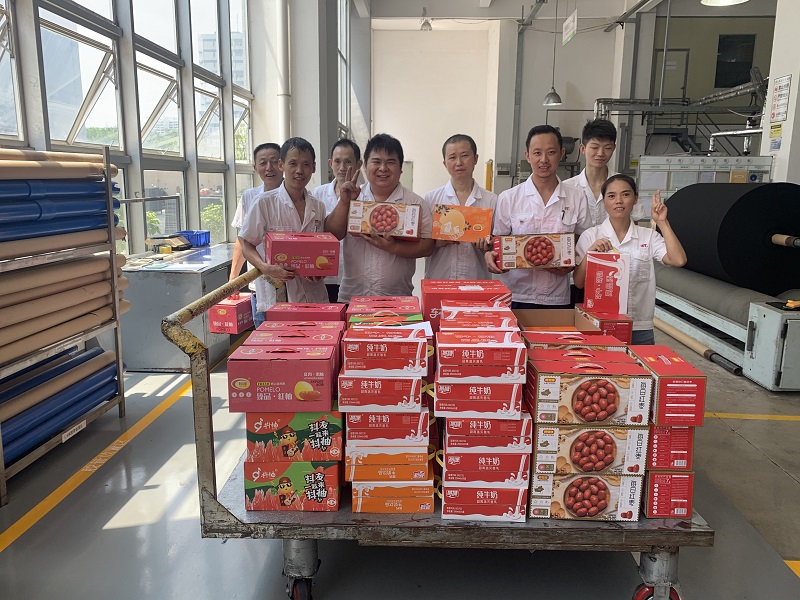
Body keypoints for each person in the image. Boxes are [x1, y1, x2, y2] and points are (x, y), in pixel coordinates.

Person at [486, 125, 592, 308]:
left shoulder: (577, 197)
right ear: (527, 156)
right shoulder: (508, 198)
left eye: (551, 152)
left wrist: (572, 262)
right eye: (537, 153)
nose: (544, 160)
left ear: (561, 154)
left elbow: (585, 241)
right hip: (516, 296)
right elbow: (498, 241)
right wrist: (491, 255)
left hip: (558, 297)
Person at [573, 174, 687, 345]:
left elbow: (678, 260)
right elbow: (578, 282)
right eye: (611, 196)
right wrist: (591, 254)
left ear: (635, 199)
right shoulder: (591, 236)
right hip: (600, 324)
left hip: (639, 327)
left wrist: (662, 223)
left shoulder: (648, 236)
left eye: (625, 194)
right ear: (604, 201)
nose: (618, 201)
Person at [325, 133, 434, 303]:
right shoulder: (353, 196)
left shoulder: (416, 203)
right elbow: (333, 234)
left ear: (401, 168)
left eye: (390, 162)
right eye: (376, 161)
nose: (383, 168)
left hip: (397, 298)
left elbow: (428, 246)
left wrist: (394, 247)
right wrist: (345, 202)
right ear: (365, 165)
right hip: (353, 297)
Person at [238, 137, 329, 317]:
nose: (299, 170)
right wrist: (266, 267)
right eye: (293, 164)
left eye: (306, 164)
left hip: (313, 298)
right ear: (282, 165)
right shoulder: (264, 203)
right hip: (277, 297)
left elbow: (318, 250)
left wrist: (318, 271)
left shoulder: (318, 206)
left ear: (314, 168)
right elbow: (246, 245)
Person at [423, 134, 496, 280]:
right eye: (452, 157)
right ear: (445, 163)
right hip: (439, 281)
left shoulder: (492, 200)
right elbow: (422, 244)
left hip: (476, 282)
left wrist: (489, 244)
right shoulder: (431, 199)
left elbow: (498, 243)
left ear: (475, 158)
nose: (459, 163)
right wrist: (437, 242)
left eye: (464, 156)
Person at [229, 143, 284, 326]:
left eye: (274, 162)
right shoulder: (249, 197)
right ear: (255, 167)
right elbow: (242, 241)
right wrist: (233, 280)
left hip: (290, 283)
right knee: (263, 335)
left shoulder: (295, 196)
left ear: (282, 164)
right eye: (263, 163)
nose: (269, 168)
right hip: (259, 283)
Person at [313, 139, 363, 302]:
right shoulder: (318, 194)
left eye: (348, 162)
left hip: (356, 277)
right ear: (330, 163)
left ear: (358, 164)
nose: (342, 167)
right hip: (324, 275)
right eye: (337, 161)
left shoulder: (367, 196)